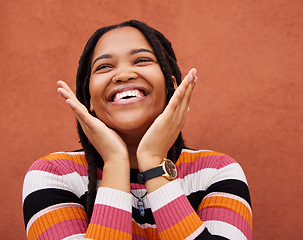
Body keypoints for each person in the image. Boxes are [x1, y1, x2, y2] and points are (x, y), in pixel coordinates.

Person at [22, 20, 252, 240]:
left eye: (142, 60)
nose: (123, 75)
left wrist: (153, 163)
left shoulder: (216, 172)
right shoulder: (55, 175)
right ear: (90, 98)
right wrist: (114, 162)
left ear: (170, 84)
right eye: (104, 66)